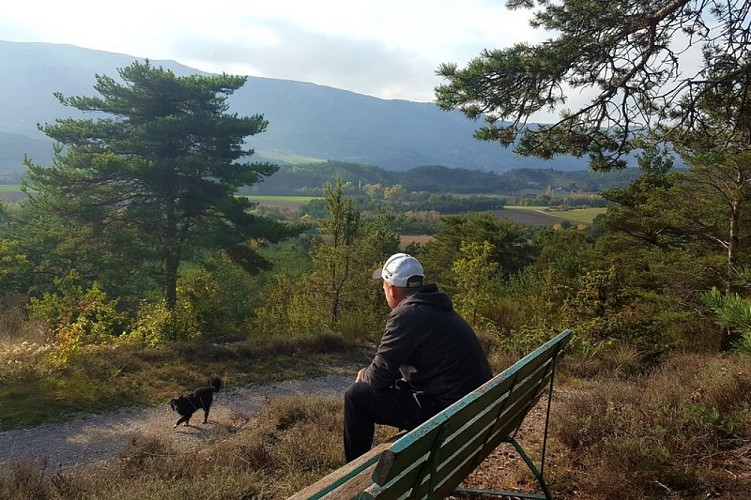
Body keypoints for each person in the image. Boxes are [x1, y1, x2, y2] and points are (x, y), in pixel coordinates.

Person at [343, 252, 493, 462]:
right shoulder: (437, 307)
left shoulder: (408, 315)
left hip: (447, 417)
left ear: (393, 290)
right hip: (473, 413)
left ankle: (350, 473)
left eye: (383, 286)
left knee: (356, 396)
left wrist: (363, 374)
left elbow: (377, 378)